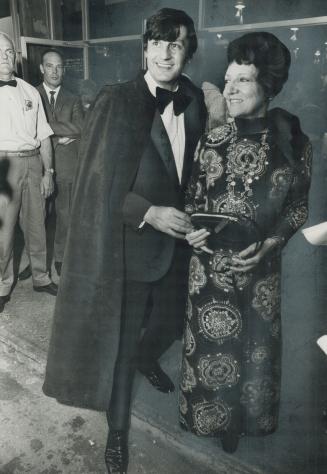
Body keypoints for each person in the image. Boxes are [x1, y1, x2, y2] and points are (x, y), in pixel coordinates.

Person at [42, 8, 206, 473]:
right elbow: (99, 186)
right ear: (145, 48)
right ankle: (117, 431)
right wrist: (149, 212)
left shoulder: (194, 99)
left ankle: (146, 357)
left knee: (174, 322)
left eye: (176, 44)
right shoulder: (117, 100)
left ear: (187, 52)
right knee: (118, 340)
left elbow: (194, 169)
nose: (166, 53)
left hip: (181, 244)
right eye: (158, 43)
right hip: (129, 248)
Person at [180, 32, 312, 453]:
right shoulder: (213, 138)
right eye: (227, 79)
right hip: (208, 276)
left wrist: (271, 245)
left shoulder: (294, 143)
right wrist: (193, 231)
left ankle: (242, 424)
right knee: (213, 357)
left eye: (242, 81)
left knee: (254, 358)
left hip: (262, 277)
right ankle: (217, 423)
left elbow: (297, 209)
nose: (229, 90)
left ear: (268, 87)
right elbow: (193, 201)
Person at [0, 32, 57, 314]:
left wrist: (49, 171)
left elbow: (44, 135)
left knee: (37, 224)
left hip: (34, 162)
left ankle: (41, 277)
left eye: (9, 51)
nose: (5, 57)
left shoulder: (29, 91)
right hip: (3, 166)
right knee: (3, 231)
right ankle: (2, 284)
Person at [38, 49, 84, 276]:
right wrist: (60, 134)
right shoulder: (30, 94)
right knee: (35, 217)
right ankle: (34, 262)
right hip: (37, 166)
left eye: (59, 67)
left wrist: (44, 128)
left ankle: (60, 257)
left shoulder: (73, 97)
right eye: (49, 66)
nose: (55, 71)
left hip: (67, 166)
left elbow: (80, 128)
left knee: (64, 215)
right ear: (41, 68)